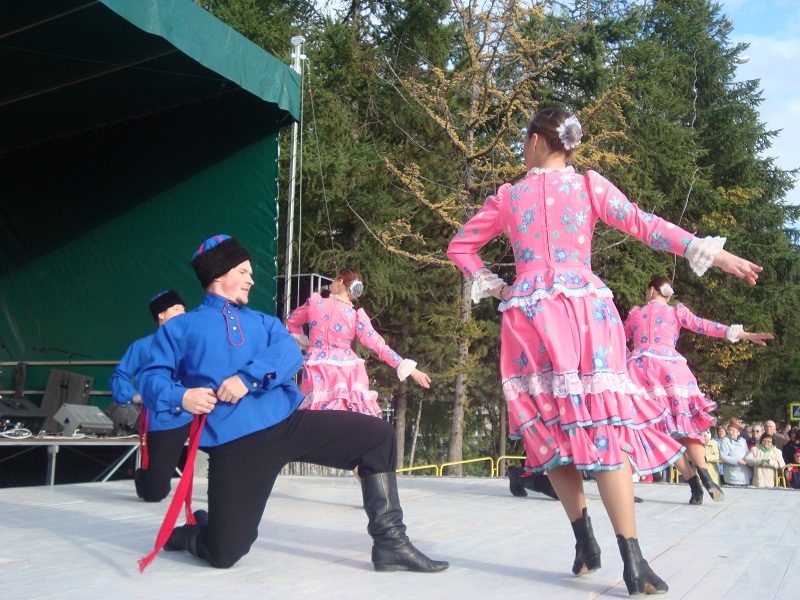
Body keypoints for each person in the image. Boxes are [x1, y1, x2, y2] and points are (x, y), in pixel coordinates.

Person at [446, 108, 764, 596]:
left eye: (524, 141)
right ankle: (633, 560)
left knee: (549, 428)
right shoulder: (589, 185)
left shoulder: (510, 197)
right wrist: (712, 253)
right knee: (602, 427)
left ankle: (583, 540)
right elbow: (646, 225)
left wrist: (497, 286)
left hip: (529, 318)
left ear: (534, 141)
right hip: (586, 317)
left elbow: (461, 247)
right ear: (567, 145)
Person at [137, 235, 448, 573]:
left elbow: (288, 354)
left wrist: (247, 378)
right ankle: (190, 535)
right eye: (243, 271)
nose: (251, 279)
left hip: (290, 425)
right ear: (219, 274)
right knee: (225, 553)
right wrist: (182, 396)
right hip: (236, 444)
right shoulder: (180, 328)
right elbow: (151, 381)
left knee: (378, 435)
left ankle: (390, 543)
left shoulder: (264, 322)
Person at [623, 277, 772, 504]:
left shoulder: (636, 314)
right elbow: (706, 326)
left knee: (656, 432)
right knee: (686, 426)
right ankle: (705, 475)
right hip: (673, 370)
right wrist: (743, 335)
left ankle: (693, 483)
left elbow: (615, 339)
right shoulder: (676, 312)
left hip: (641, 371)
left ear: (651, 291)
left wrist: (624, 357)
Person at [285, 268, 431, 418]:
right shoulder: (355, 316)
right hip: (349, 373)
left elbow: (292, 322)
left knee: (316, 420)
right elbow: (379, 347)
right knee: (348, 423)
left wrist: (307, 345)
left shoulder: (315, 304)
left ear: (340, 281)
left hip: (318, 371)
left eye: (334, 280)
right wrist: (412, 370)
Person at [110, 290, 191, 502]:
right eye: (176, 310)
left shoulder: (195, 342)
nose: (183, 314)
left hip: (201, 412)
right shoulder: (143, 346)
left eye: (184, 310)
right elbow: (120, 376)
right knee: (155, 492)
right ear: (161, 315)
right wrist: (135, 396)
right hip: (166, 418)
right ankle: (145, 477)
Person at [719, 421, 751, 486]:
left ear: (738, 432)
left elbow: (747, 452)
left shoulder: (743, 440)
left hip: (744, 473)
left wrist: (749, 459)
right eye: (729, 430)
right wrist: (737, 460)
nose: (731, 432)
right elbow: (723, 456)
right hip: (732, 473)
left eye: (733, 430)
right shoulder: (725, 441)